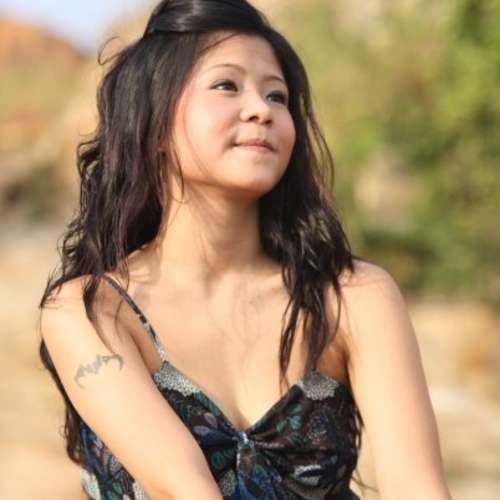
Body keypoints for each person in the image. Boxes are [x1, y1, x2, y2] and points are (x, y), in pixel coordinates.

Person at [38, 1, 452, 499]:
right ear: (153, 122)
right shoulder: (92, 310)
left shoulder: (352, 297)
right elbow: (182, 491)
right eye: (226, 86)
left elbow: (418, 488)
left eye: (277, 96)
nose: (261, 109)